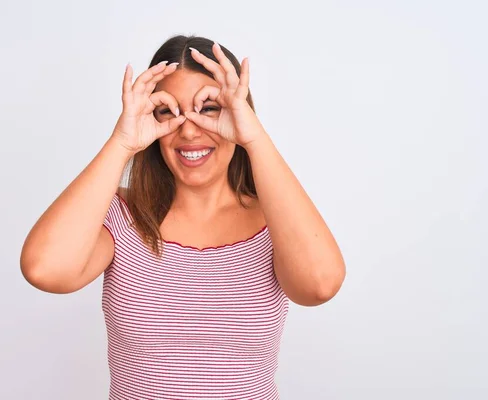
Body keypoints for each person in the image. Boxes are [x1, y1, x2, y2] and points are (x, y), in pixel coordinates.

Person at [20, 34, 346, 399]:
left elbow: (319, 285)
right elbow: (44, 270)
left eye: (208, 108)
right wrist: (121, 143)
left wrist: (253, 138)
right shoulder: (120, 216)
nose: (189, 130)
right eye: (168, 111)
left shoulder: (278, 221)